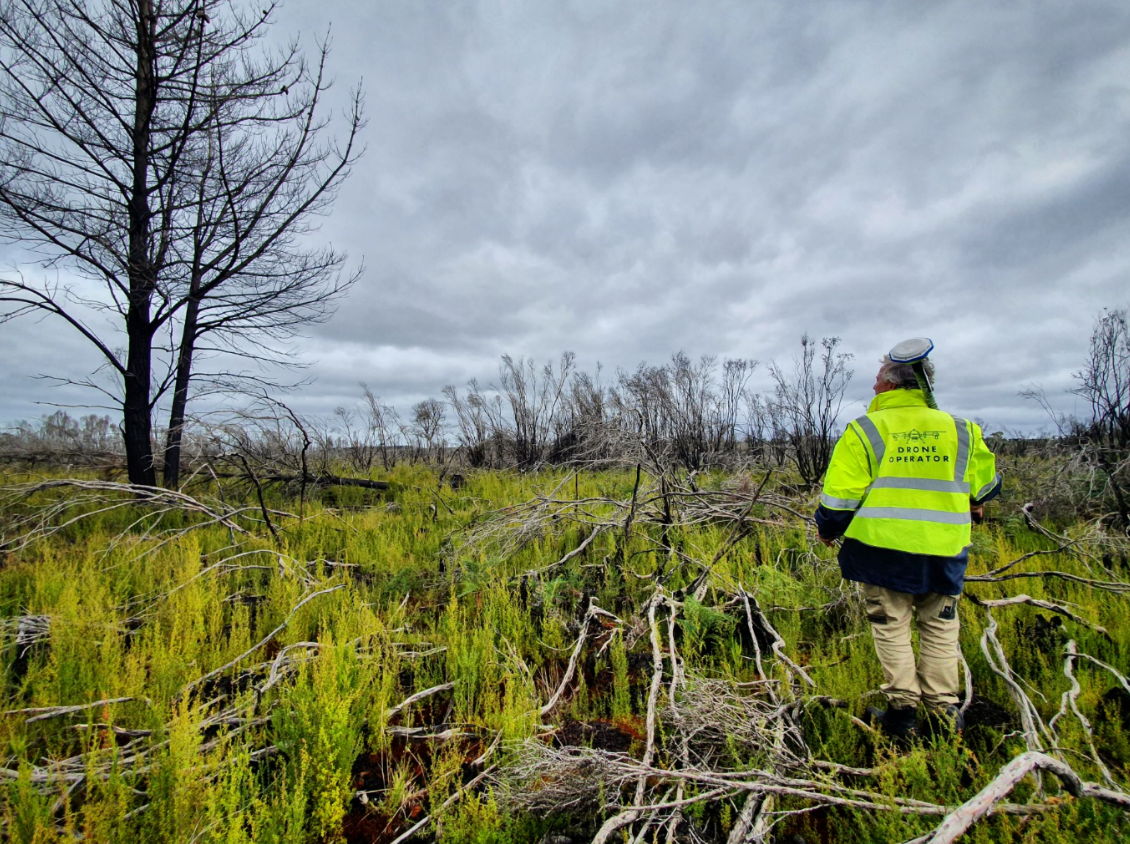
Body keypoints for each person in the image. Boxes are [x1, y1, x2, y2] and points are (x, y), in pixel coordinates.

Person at [814, 341, 1001, 742]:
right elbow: (985, 486)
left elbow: (839, 497)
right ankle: (944, 712)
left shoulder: (866, 429)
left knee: (891, 626)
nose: (873, 385)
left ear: (891, 385)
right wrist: (973, 501)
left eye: (878, 378)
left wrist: (827, 528)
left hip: (883, 550)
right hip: (945, 550)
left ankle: (903, 715)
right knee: (940, 627)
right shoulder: (961, 430)